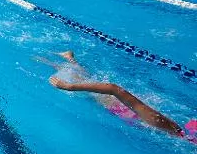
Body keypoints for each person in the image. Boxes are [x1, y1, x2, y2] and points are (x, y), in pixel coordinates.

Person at [46, 51, 197, 142]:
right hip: (117, 105)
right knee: (74, 78)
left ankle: (70, 59)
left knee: (86, 80)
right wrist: (69, 87)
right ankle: (64, 60)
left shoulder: (180, 134)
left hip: (126, 109)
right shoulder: (168, 127)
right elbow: (114, 89)